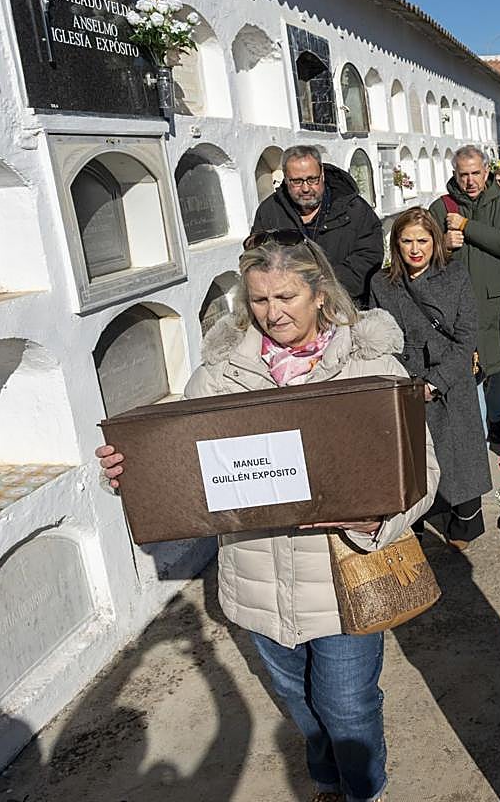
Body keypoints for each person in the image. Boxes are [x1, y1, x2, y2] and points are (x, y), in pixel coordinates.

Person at [96, 232, 439, 802]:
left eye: (286, 298)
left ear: (320, 294)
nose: (272, 313)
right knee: (300, 702)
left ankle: (364, 789)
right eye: (259, 301)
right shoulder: (220, 376)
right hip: (255, 577)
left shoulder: (370, 368)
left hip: (343, 575)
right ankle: (327, 779)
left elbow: (422, 473)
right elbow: (186, 467)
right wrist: (132, 473)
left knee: (348, 705)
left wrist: (372, 525)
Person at [370, 208, 492, 549]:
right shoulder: (382, 282)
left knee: (459, 457)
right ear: (395, 244)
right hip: (406, 378)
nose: (414, 249)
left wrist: (437, 380)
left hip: (450, 379)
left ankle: (463, 525)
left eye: (422, 240)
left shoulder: (454, 275)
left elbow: (467, 336)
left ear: (435, 242)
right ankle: (414, 525)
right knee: (414, 461)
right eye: (406, 240)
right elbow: (378, 335)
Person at [429, 145, 500, 445]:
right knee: (468, 379)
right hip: (458, 312)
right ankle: (477, 439)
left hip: (498, 310)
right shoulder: (441, 208)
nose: (470, 181)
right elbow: (420, 254)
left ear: (487, 173)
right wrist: (443, 245)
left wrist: (467, 226)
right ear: (455, 175)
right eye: (463, 175)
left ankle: (495, 417)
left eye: (475, 173)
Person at [251, 145, 383, 306]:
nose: (306, 188)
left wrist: (324, 286)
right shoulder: (269, 211)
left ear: (322, 175)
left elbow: (369, 256)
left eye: (312, 179)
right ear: (285, 179)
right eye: (297, 181)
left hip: (345, 304)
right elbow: (256, 258)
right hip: (289, 309)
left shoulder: (354, 208)